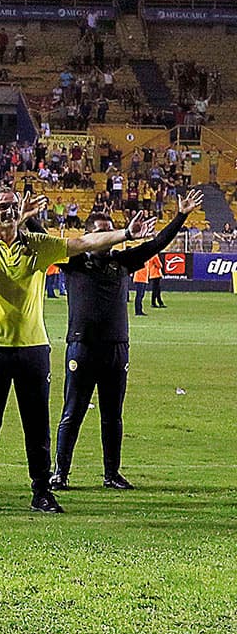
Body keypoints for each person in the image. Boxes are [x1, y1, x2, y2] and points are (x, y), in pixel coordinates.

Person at [0, 188, 157, 513]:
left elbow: (81, 243)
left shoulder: (38, 246)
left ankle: (42, 492)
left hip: (34, 350)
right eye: (2, 207)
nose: (8, 212)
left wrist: (124, 234)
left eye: (12, 207)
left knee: (37, 428)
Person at [52, 189, 203, 491]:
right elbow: (40, 240)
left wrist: (182, 215)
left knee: (112, 416)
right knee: (72, 412)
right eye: (100, 233)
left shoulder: (123, 261)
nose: (107, 238)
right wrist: (27, 221)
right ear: (88, 237)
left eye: (110, 232)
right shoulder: (74, 262)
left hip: (117, 348)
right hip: (81, 346)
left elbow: (157, 243)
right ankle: (60, 472)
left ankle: (112, 474)